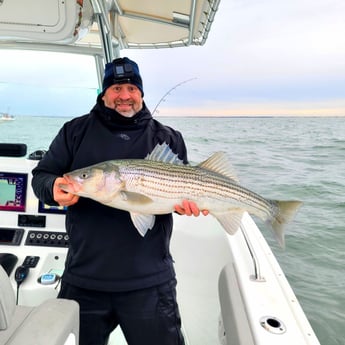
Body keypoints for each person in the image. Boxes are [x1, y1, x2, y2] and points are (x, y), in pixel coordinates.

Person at [31, 57, 208, 345]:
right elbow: (42, 176)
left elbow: (182, 187)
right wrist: (53, 187)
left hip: (149, 280)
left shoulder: (167, 137)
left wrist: (188, 204)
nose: (124, 96)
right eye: (115, 88)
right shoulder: (74, 132)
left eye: (131, 88)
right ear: (103, 94)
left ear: (140, 93)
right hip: (84, 277)